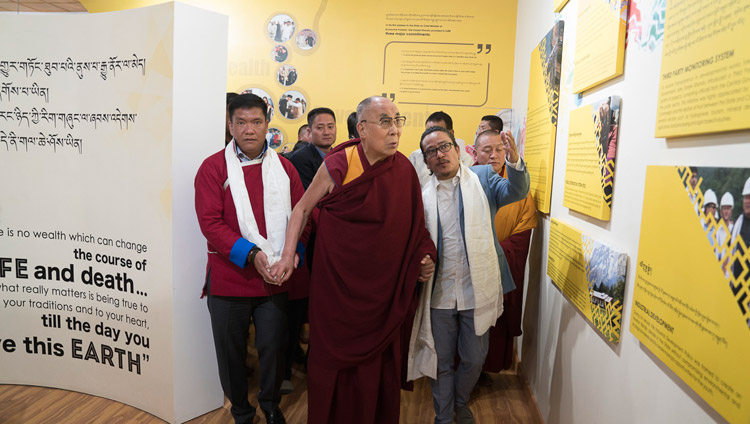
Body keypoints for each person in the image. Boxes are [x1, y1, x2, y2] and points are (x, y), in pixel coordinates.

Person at [272, 96, 437, 423]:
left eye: (398, 120)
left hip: (384, 292)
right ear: (362, 128)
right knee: (331, 362)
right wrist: (288, 255)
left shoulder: (403, 169)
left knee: (379, 369)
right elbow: (303, 208)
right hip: (338, 287)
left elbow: (417, 226)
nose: (395, 131)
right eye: (385, 122)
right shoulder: (341, 163)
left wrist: (425, 255)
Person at [194, 93, 308, 424]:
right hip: (230, 279)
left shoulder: (285, 169)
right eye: (241, 123)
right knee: (231, 355)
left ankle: (271, 406)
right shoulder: (213, 168)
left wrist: (292, 255)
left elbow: (303, 218)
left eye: (256, 122)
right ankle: (242, 412)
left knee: (273, 350)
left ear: (267, 125)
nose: (249, 130)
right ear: (230, 126)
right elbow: (210, 224)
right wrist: (252, 255)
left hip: (275, 278)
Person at [408, 127, 529, 424]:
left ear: (458, 150)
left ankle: (460, 402)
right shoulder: (420, 195)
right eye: (432, 151)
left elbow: (516, 191)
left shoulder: (483, 179)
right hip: (439, 293)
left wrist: (513, 162)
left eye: (445, 146)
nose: (440, 154)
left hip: (477, 287)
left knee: (475, 358)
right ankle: (444, 416)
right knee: (442, 362)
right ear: (426, 161)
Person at [472, 130, 537, 380]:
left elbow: (522, 234)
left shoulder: (518, 186)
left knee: (494, 323)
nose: (493, 155)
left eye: (499, 149)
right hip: (472, 267)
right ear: (474, 153)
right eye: (487, 150)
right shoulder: (467, 181)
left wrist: (497, 252)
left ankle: (486, 368)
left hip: (500, 265)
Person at [408, 111, 473, 187]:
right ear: (426, 161)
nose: (433, 136)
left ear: (451, 133)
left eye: (437, 131)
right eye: (428, 132)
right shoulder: (415, 157)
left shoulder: (466, 159)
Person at [288, 108, 336, 189]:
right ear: (309, 131)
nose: (326, 132)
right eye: (320, 128)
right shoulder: (300, 158)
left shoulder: (340, 155)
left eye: (330, 127)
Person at [730, 177, 750, 282]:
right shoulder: (737, 226)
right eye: (746, 198)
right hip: (737, 286)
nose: (747, 201)